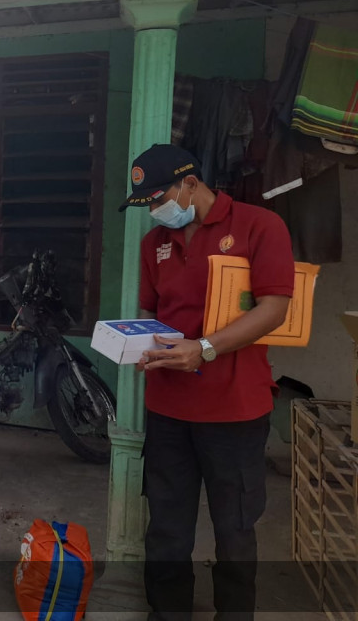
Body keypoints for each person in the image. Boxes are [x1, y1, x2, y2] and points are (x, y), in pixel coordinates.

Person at [119, 144, 294, 621]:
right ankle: (168, 612)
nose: (156, 211)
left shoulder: (261, 226)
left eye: (159, 199)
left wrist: (206, 347)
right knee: (167, 527)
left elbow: (276, 306)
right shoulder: (153, 243)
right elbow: (155, 314)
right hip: (169, 409)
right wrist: (142, 347)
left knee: (235, 528)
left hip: (235, 410)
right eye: (148, 205)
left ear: (191, 184)